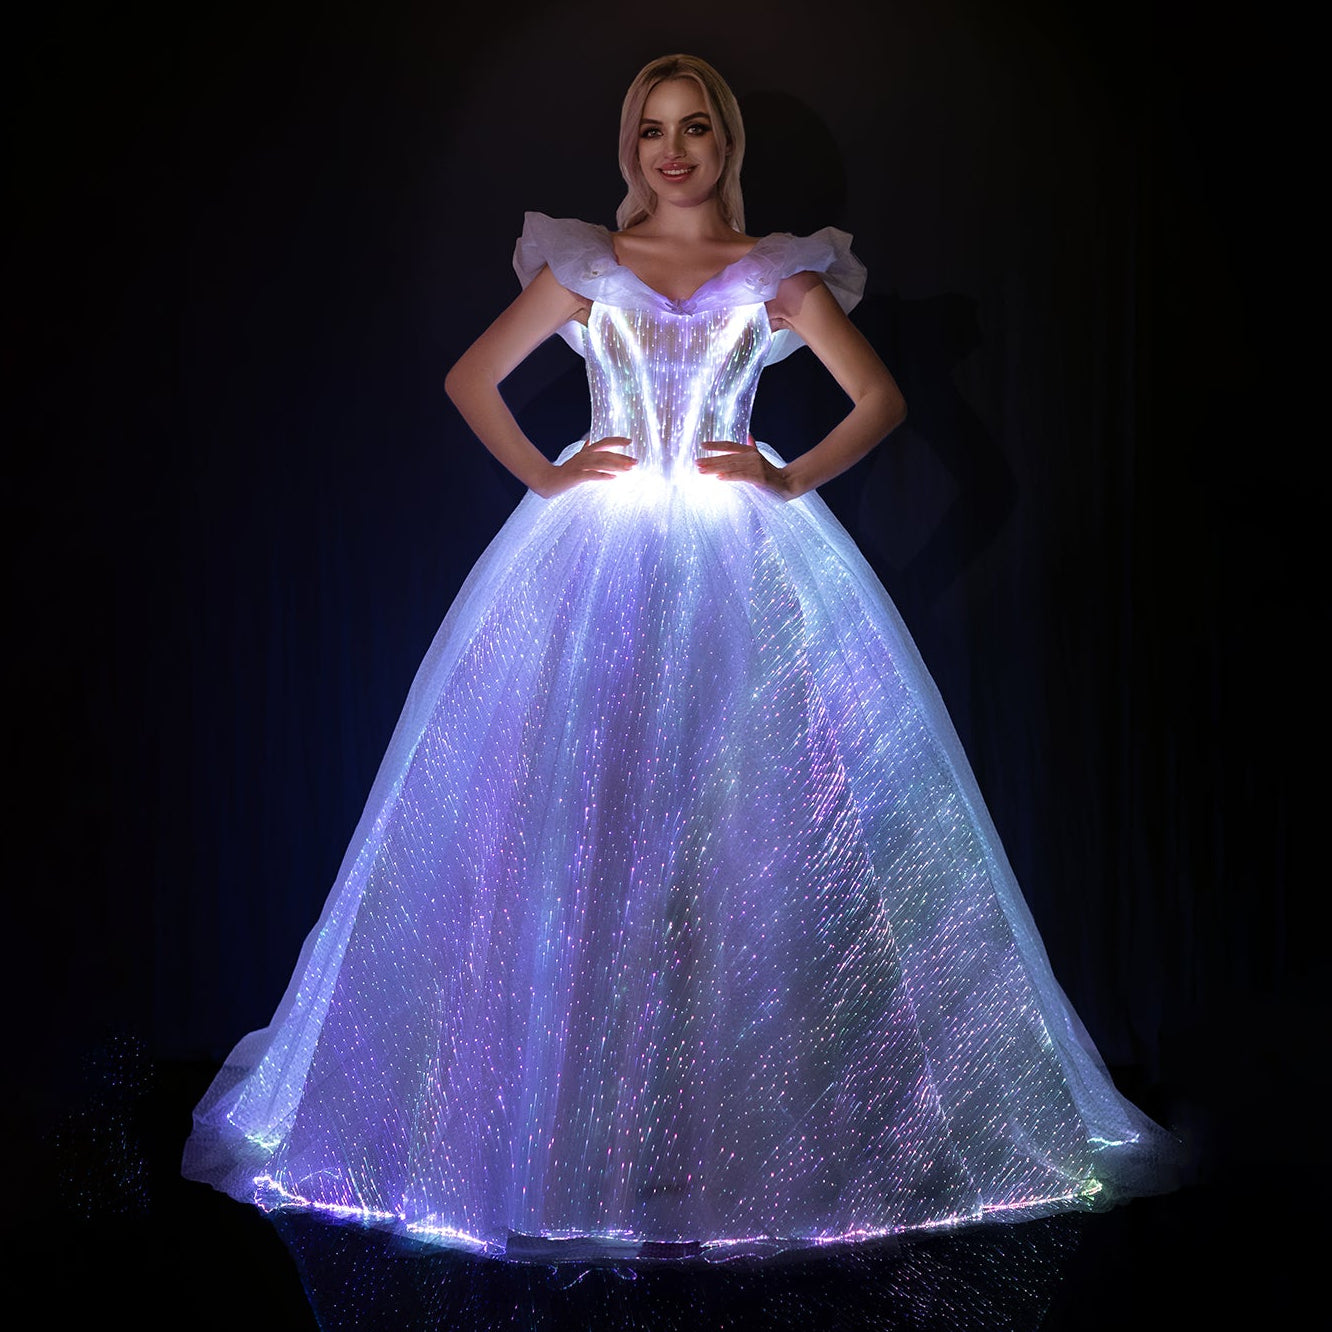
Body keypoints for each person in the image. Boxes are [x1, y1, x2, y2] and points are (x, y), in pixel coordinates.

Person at [183, 53, 1171, 1258]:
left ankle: (727, 1132)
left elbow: (879, 401)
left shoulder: (774, 274)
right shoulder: (588, 266)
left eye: (694, 127)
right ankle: (563, 1132)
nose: (673, 150)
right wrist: (549, 474)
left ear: (725, 143)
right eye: (653, 129)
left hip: (737, 556)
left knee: (736, 832)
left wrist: (786, 477)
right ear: (629, 147)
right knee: (579, 825)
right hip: (593, 560)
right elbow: (471, 378)